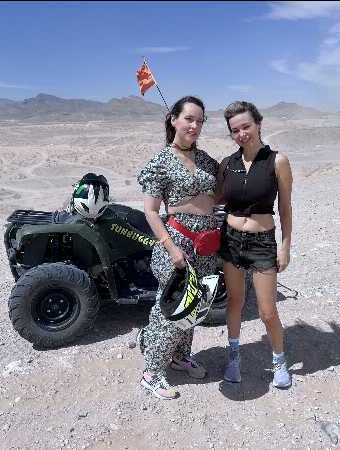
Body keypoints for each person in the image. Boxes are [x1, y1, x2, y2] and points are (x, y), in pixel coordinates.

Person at [136, 96, 219, 400]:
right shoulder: (160, 162)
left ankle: (180, 357)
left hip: (206, 246)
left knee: (195, 307)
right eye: (189, 119)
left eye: (200, 120)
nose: (195, 125)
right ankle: (151, 374)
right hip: (177, 244)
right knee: (172, 307)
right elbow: (150, 212)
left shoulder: (207, 160)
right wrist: (171, 248)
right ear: (173, 120)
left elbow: (220, 196)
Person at [216, 100, 293, 389]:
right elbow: (215, 198)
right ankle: (234, 357)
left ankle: (279, 361)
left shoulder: (277, 161)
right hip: (231, 241)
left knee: (267, 311)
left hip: (262, 243)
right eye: (235, 130)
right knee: (234, 302)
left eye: (246, 126)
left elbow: (285, 209)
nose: (241, 134)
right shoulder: (228, 164)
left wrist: (285, 247)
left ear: (258, 124)